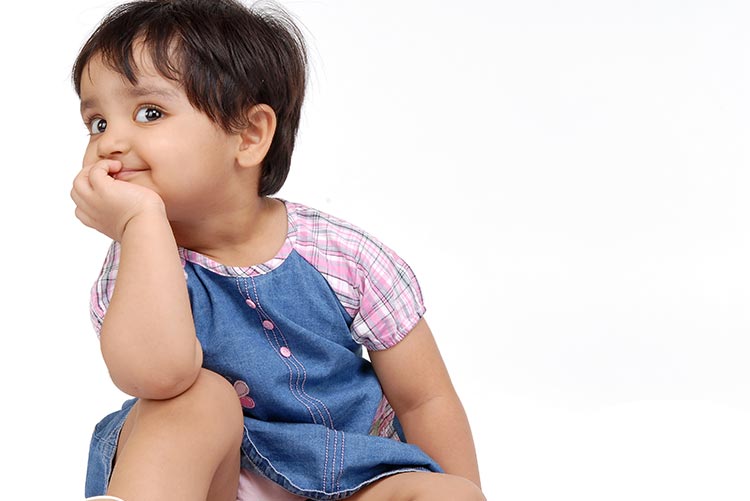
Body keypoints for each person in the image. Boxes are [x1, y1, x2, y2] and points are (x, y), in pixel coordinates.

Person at [70, 1, 484, 500]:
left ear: (248, 135)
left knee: (446, 494)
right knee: (197, 398)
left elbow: (424, 400)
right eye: (96, 122)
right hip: (207, 483)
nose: (110, 142)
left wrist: (464, 489)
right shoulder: (137, 261)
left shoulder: (341, 256)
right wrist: (141, 225)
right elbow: (156, 376)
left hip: (349, 475)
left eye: (149, 113)